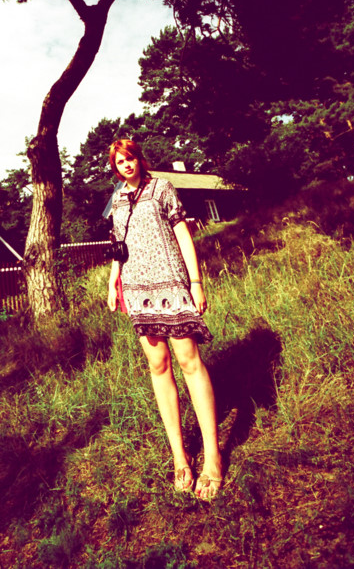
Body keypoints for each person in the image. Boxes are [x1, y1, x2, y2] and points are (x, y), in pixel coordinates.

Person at [107, 139, 223, 500]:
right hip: (136, 289)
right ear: (115, 167)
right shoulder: (117, 200)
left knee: (189, 362)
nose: (127, 165)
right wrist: (113, 283)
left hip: (172, 285)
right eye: (120, 161)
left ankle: (213, 457)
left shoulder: (162, 188)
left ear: (139, 159)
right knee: (158, 366)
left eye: (130, 158)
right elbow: (118, 247)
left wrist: (196, 282)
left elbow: (183, 235)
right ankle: (180, 458)